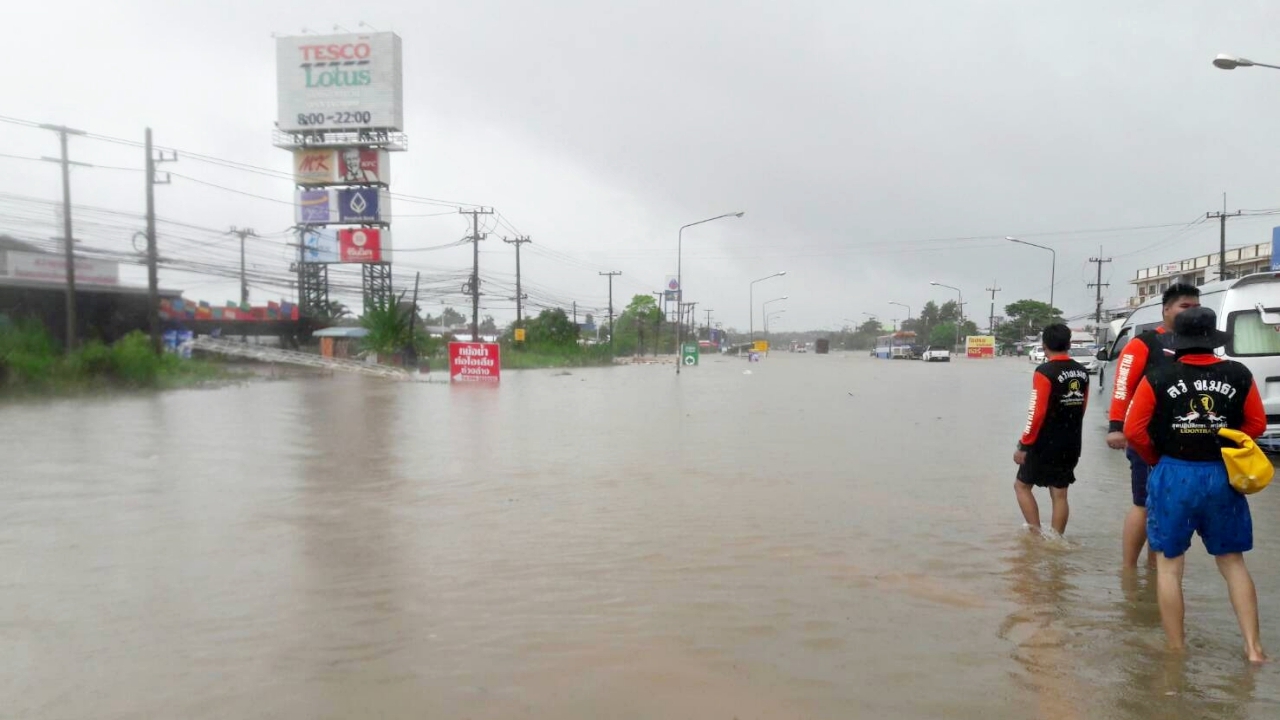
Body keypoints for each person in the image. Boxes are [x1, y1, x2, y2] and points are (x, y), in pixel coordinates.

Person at [1123, 307, 1267, 662]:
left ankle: (1176, 651)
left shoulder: (1158, 375)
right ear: (1213, 339)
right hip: (1222, 475)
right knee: (1233, 562)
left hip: (1173, 474)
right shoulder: (1238, 373)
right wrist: (1226, 441)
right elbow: (1257, 425)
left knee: (1170, 566)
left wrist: (1156, 458)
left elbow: (1133, 431)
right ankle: (1253, 649)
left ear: (1178, 342)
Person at [1107, 283, 1201, 567]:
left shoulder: (1201, 343)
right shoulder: (1144, 344)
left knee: (1170, 506)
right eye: (1185, 306)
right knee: (1143, 503)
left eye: (1196, 307)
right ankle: (1128, 570)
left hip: (1187, 439)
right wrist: (1116, 426)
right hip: (1146, 438)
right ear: (1166, 309)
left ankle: (1157, 571)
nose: (1191, 312)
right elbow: (1122, 387)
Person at [1014, 324, 1089, 535]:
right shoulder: (1082, 372)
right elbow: (1082, 407)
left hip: (1044, 442)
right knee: (1060, 494)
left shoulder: (1044, 372)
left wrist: (1024, 445)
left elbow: (1036, 413)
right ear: (1069, 344)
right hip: (1072, 441)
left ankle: (1035, 536)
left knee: (1021, 486)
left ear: (1044, 345)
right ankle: (1056, 541)